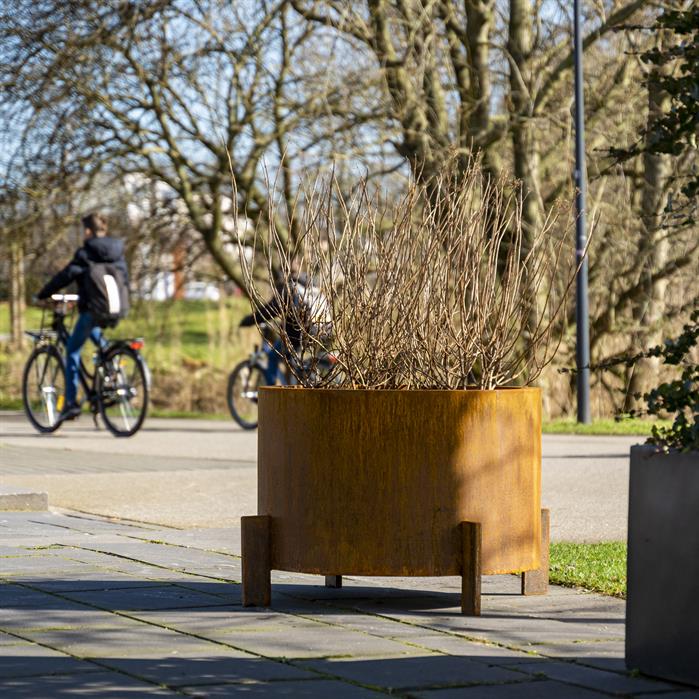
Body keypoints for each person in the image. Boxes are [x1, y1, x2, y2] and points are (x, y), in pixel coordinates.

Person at [37, 212, 129, 422]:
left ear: (87, 231)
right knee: (97, 338)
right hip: (116, 307)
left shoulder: (86, 253)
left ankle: (71, 403)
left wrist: (43, 293)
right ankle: (112, 373)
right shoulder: (117, 251)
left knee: (71, 351)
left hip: (92, 309)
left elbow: (67, 275)